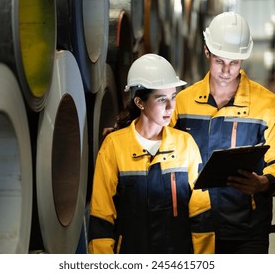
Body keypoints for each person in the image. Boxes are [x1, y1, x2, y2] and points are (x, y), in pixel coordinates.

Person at [170, 12, 275, 254]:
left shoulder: (268, 104)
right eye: (220, 61)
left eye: (235, 63)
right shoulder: (182, 103)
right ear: (206, 52)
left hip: (247, 231)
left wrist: (263, 182)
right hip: (192, 228)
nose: (227, 70)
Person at [88, 53, 214, 254]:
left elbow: (201, 214)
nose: (171, 107)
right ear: (140, 102)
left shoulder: (185, 144)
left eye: (173, 97)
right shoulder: (114, 147)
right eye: (161, 99)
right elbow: (102, 218)